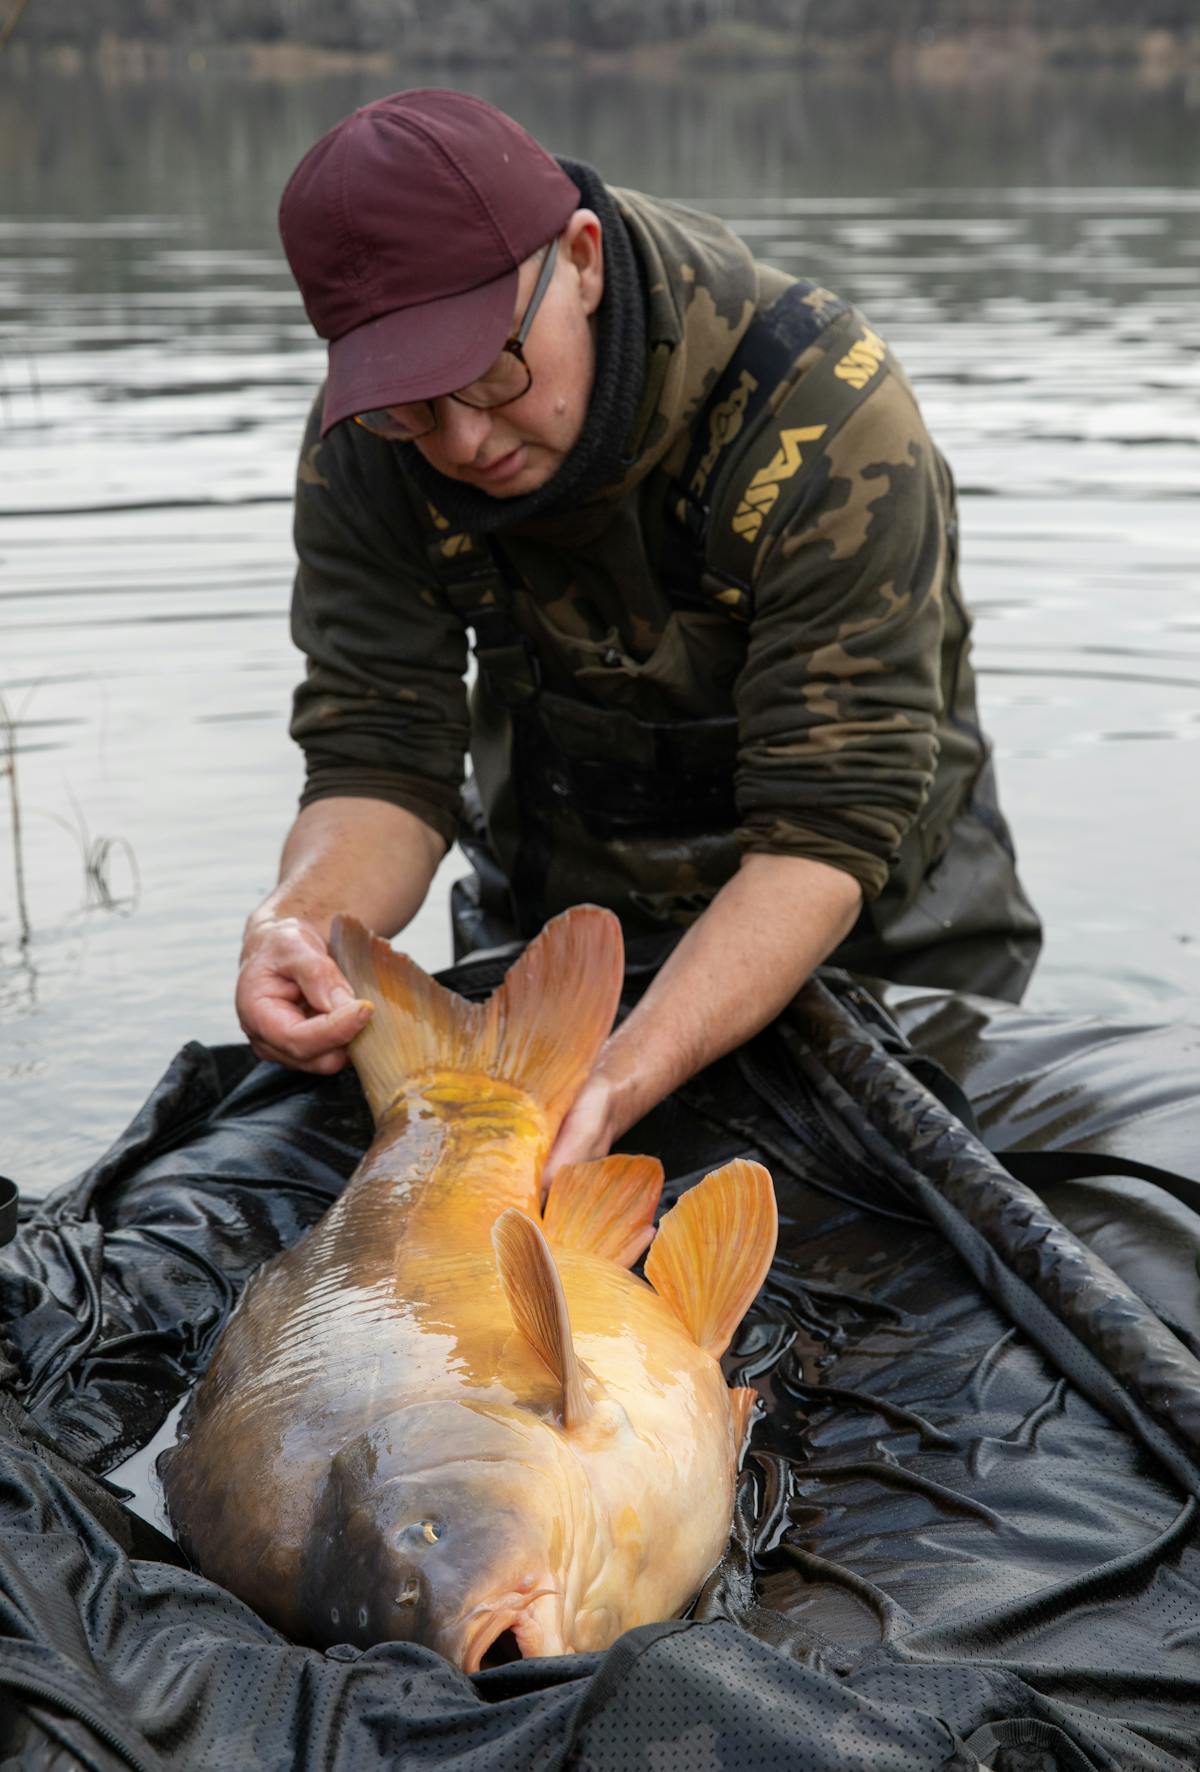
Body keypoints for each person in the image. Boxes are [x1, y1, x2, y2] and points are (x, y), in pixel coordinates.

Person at [236, 88, 1041, 1175]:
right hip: (567, 938)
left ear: (580, 258)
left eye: (491, 370)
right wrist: (299, 921)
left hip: (878, 939)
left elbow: (823, 833)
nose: (465, 438)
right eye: (414, 403)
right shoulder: (371, 439)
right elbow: (380, 757)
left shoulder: (827, 418)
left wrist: (622, 1077)